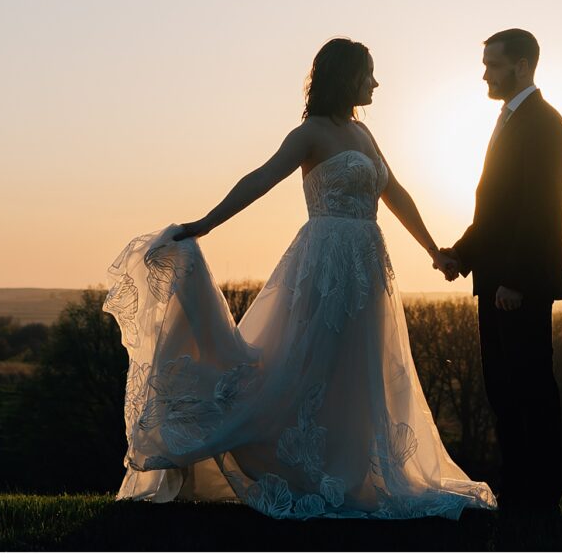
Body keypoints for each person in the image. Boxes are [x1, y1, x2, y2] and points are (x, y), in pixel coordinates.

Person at [103, 37, 495, 520]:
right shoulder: (310, 133)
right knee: (309, 366)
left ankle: (353, 470)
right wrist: (204, 224)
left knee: (358, 367)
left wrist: (435, 250)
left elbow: (396, 194)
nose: (375, 82)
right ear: (345, 76)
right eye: (368, 73)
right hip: (325, 264)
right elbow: (259, 179)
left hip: (369, 265)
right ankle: (301, 469)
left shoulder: (365, 135)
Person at [435, 28, 562, 513]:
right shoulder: (511, 120)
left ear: (522, 65)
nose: (485, 74)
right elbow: (496, 211)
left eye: (493, 64)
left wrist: (516, 279)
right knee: (502, 388)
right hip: (496, 280)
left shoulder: (545, 125)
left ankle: (541, 495)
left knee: (530, 386)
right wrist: (462, 254)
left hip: (520, 284)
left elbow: (541, 210)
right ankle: (518, 491)